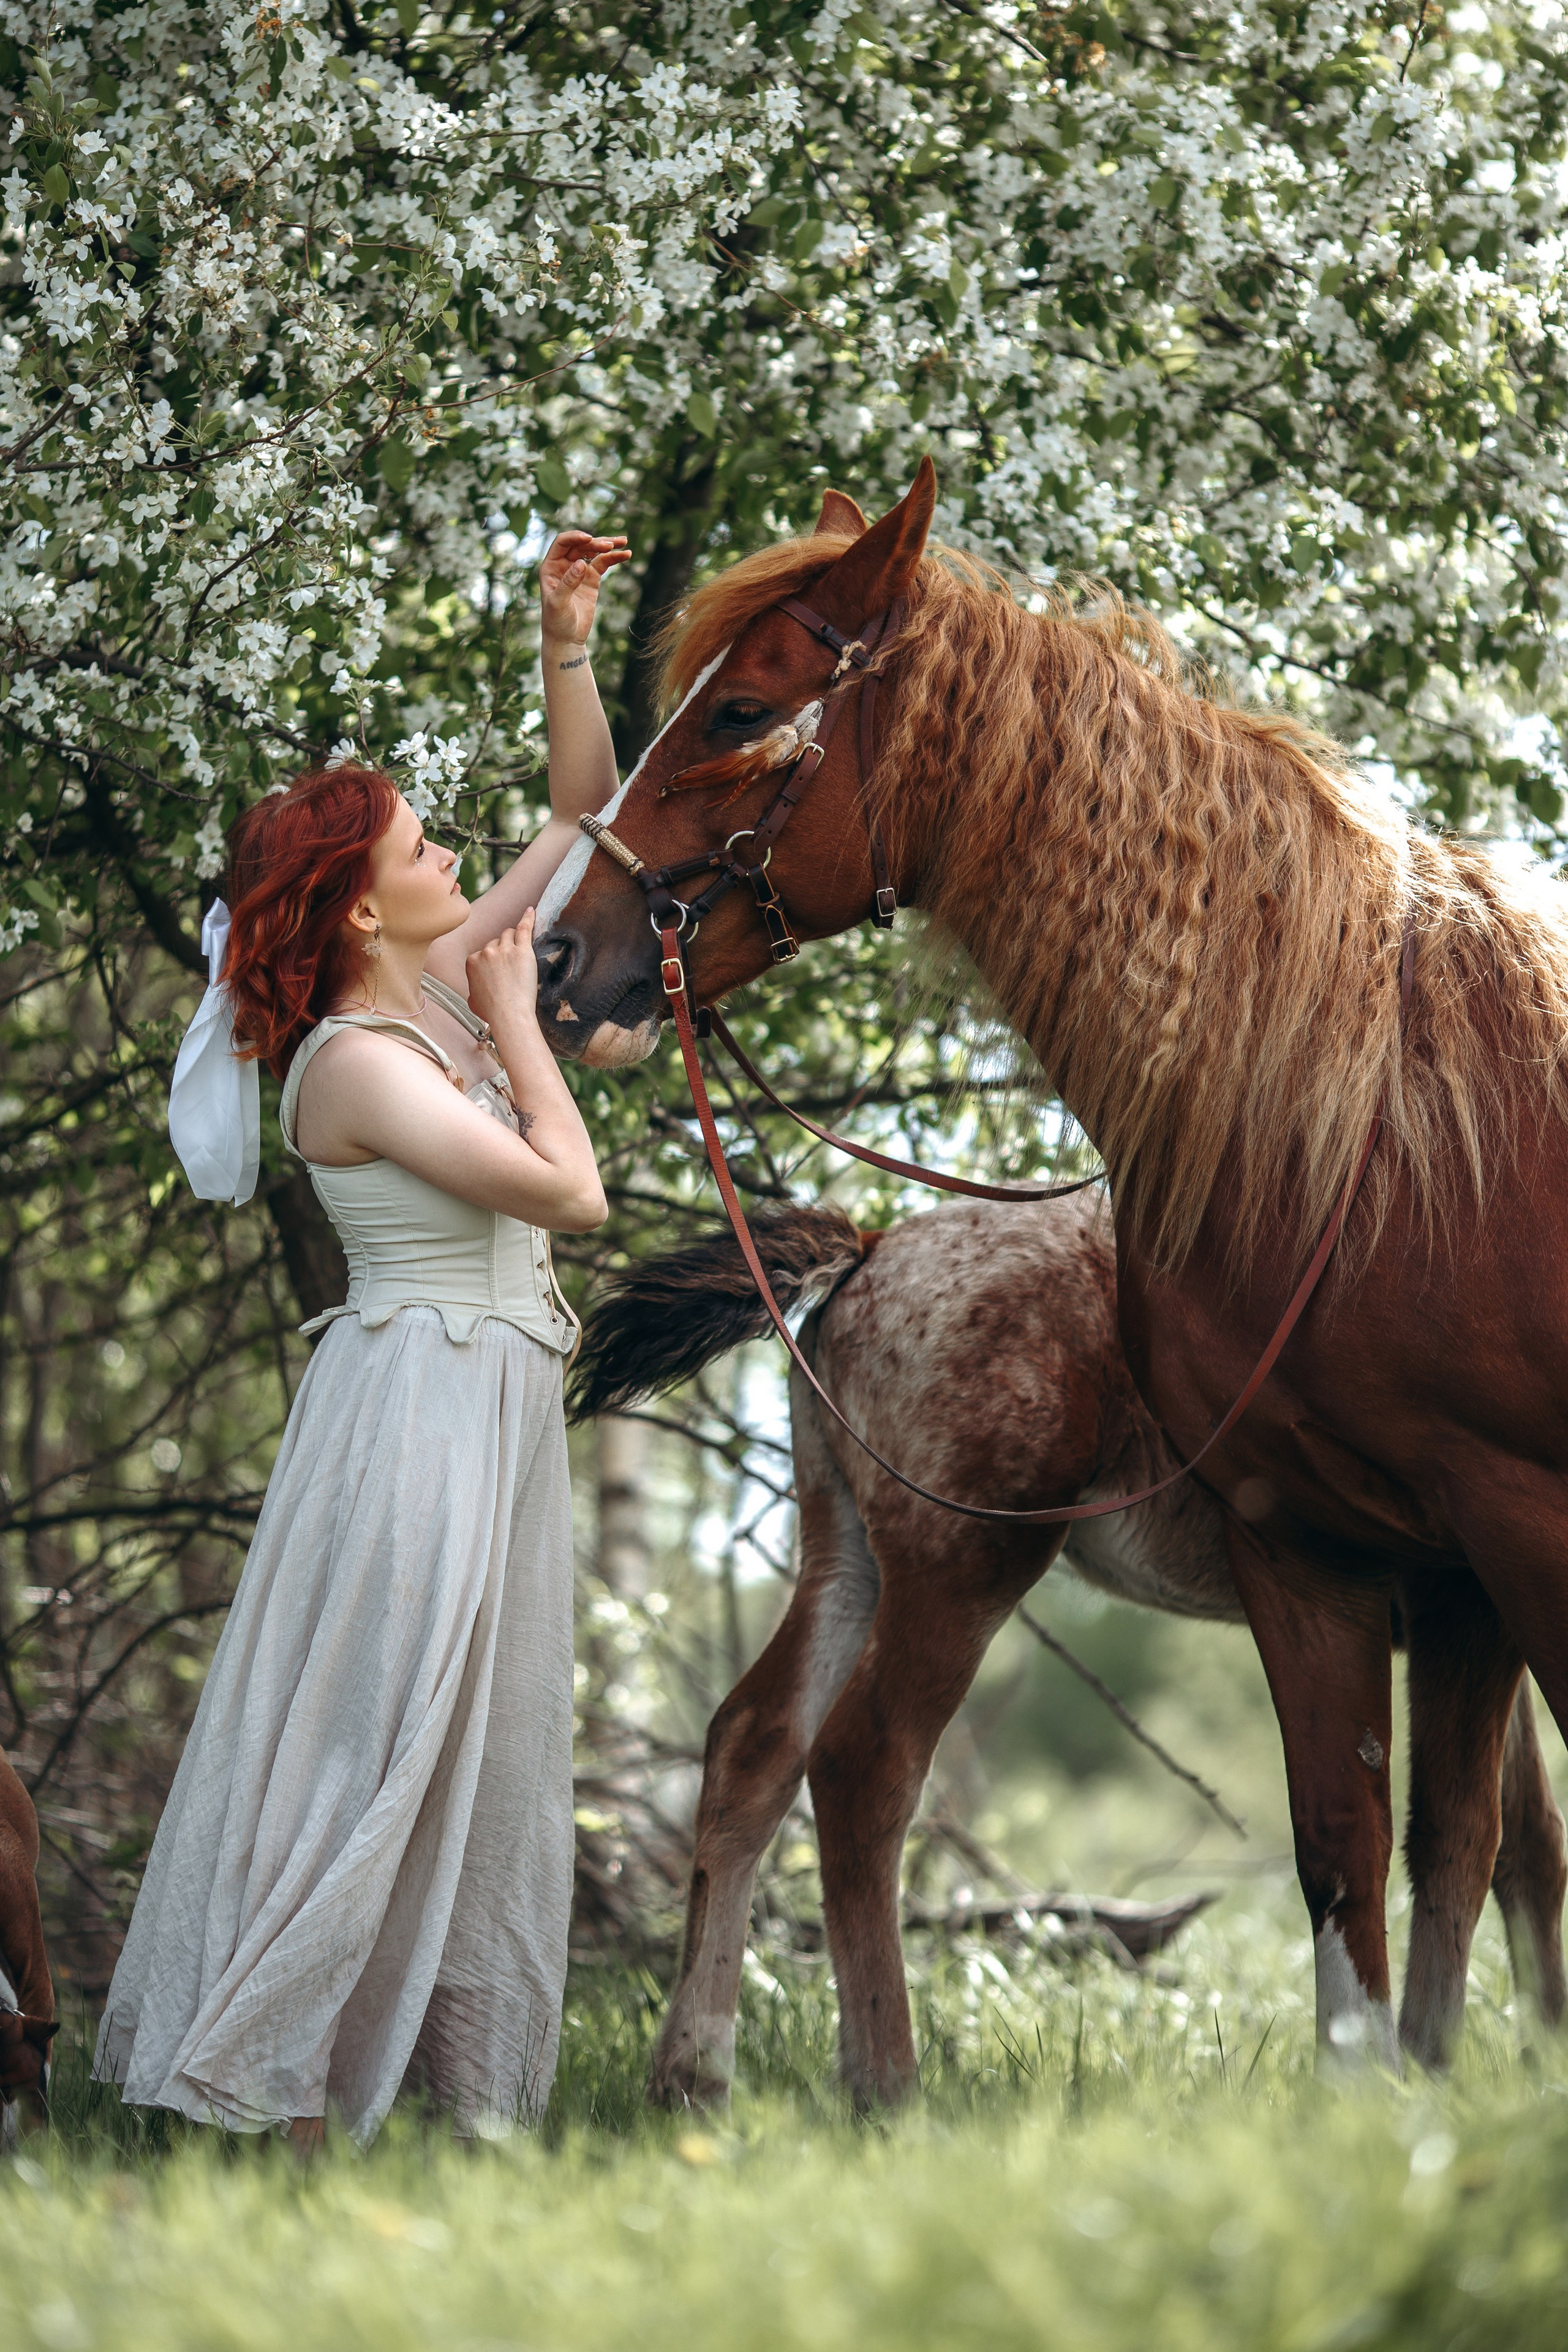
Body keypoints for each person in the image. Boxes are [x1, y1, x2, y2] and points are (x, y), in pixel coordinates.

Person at [93, 530, 629, 2152]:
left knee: (490, 1749)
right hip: (409, 1415)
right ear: (358, 903)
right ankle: (271, 2081)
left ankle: (460, 2108)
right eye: (419, 841)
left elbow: (581, 818)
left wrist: (565, 645)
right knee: (370, 1743)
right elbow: (570, 1191)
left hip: (496, 1409)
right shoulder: (352, 1062)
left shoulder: (443, 997)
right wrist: (531, 1029)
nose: (452, 850)